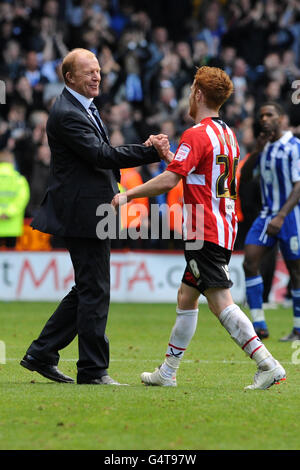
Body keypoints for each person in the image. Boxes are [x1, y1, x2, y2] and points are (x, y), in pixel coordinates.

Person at [112, 66, 286, 390]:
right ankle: (167, 371)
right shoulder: (228, 135)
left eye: (191, 89)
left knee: (221, 302)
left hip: (203, 228)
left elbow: (172, 180)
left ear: (198, 94)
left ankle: (268, 364)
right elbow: (194, 173)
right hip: (221, 224)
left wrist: (129, 194)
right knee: (186, 296)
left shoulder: (196, 134)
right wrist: (168, 155)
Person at [20, 48, 170, 385]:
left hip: (90, 211)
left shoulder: (81, 107)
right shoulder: (67, 113)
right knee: (95, 290)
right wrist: (149, 150)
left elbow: (100, 156)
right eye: (89, 71)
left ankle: (41, 353)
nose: (97, 76)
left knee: (88, 288)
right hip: (82, 213)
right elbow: (100, 155)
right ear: (69, 77)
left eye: (98, 70)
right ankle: (92, 369)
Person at [241, 102, 300, 341]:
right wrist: (256, 150)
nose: (264, 118)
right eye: (262, 115)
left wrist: (282, 215)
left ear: (282, 118)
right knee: (249, 262)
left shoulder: (294, 146)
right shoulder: (263, 148)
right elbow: (244, 178)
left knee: (296, 272)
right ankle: (258, 324)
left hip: (290, 216)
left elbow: (299, 185)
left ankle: (298, 328)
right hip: (266, 215)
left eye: (270, 115)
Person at [0, 150, 30, 249]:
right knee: (10, 260)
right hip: (12, 226)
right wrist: (8, 212)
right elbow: (22, 199)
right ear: (12, 162)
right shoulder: (19, 180)